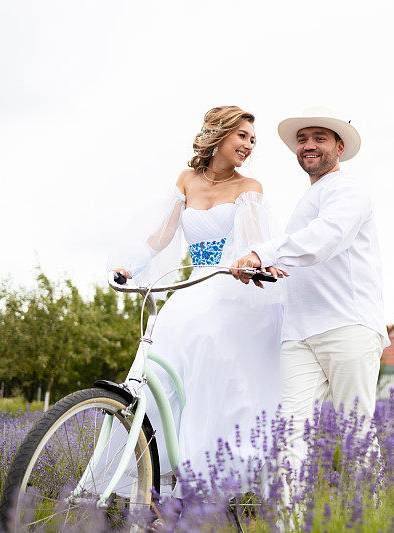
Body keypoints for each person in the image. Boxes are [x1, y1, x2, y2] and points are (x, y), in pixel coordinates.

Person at [109, 106, 286, 496]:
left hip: (233, 289)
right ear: (218, 134)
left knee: (212, 371)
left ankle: (204, 487)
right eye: (242, 136)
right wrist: (131, 266)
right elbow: (161, 235)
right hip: (193, 289)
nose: (249, 145)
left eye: (253, 140)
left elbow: (255, 240)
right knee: (161, 365)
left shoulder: (249, 187)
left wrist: (258, 264)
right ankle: (154, 485)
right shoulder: (187, 180)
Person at [231, 106, 390, 491]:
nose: (308, 146)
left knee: (356, 435)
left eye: (319, 138)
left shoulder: (349, 189)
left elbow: (325, 238)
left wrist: (263, 254)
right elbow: (304, 259)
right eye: (302, 140)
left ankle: (372, 521)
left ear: (339, 146)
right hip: (299, 332)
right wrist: (266, 270)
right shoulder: (310, 197)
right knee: (290, 437)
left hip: (348, 326)